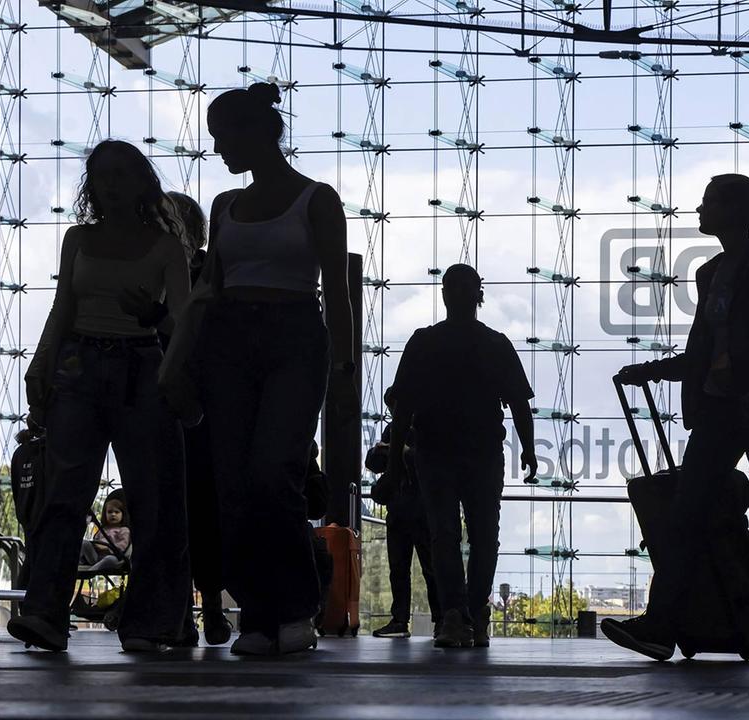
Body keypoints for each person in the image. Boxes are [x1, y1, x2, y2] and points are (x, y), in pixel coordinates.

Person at [171, 82, 357, 656]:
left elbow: (336, 289)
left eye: (225, 138)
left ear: (258, 133)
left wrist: (345, 365)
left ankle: (294, 605)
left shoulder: (316, 199)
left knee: (273, 474)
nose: (221, 151)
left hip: (294, 338)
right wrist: (186, 357)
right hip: (230, 342)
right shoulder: (226, 206)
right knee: (235, 483)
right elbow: (209, 289)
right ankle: (258, 611)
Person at [606, 173, 749, 663]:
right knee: (694, 510)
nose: (699, 210)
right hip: (732, 408)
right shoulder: (714, 272)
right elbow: (704, 351)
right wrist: (658, 370)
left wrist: (734, 364)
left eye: (709, 203)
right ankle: (666, 624)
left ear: (737, 211)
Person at [8, 140, 192, 653]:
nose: (109, 185)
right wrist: (41, 366)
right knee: (72, 495)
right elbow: (61, 305)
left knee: (137, 499)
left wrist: (151, 317)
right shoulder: (81, 240)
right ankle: (53, 613)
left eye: (118, 174)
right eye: (101, 175)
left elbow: (182, 319)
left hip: (130, 368)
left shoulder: (164, 248)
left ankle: (81, 613)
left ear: (139, 183)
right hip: (93, 369)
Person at [383, 264, 537, 649]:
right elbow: (519, 404)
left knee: (444, 534)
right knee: (485, 536)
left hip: (434, 453)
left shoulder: (422, 343)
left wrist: (392, 464)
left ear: (445, 294)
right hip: (483, 453)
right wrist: (529, 450)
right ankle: (474, 613)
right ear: (478, 295)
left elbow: (402, 410)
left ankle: (454, 615)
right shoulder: (496, 344)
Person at [120, 191, 230, 646]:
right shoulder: (203, 272)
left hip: (183, 406)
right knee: (195, 512)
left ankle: (182, 612)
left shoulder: (186, 278)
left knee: (179, 511)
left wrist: (157, 318)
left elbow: (194, 337)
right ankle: (202, 610)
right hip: (193, 408)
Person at [366, 426, 442, 638]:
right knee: (405, 569)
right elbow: (374, 462)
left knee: (426, 569)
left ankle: (428, 619)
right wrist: (388, 450)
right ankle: (429, 619)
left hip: (415, 511)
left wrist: (398, 451)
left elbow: (427, 461)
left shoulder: (421, 427)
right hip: (408, 510)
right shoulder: (395, 430)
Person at [78, 497, 131, 573]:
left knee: (110, 559)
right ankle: (79, 563)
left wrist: (106, 548)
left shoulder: (124, 530)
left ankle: (89, 571)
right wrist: (95, 545)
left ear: (123, 515)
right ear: (105, 514)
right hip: (95, 557)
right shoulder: (102, 529)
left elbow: (122, 547)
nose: (113, 514)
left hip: (113, 558)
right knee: (84, 543)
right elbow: (95, 541)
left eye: (117, 512)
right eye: (110, 512)